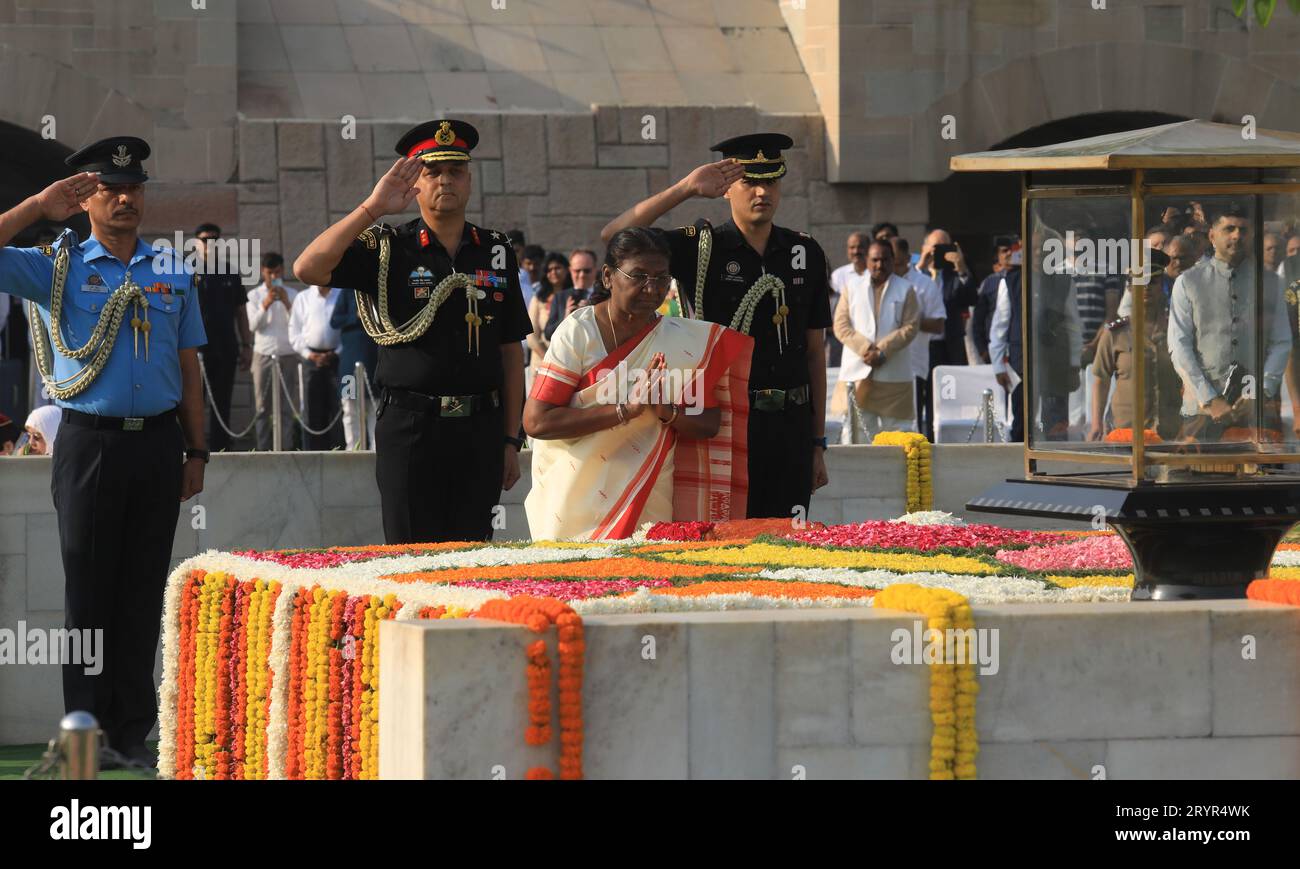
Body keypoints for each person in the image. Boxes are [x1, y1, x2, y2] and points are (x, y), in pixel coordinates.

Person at [0, 136, 208, 770]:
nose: (124, 199)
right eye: (110, 189)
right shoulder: (55, 265)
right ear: (86, 199)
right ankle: (84, 738)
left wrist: (197, 451)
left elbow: (188, 365)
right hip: (88, 442)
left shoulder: (170, 269)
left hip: (157, 446)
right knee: (88, 596)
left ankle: (130, 736)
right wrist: (37, 204)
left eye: (134, 188)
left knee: (142, 593)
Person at [293, 119, 530, 543]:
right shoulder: (388, 247)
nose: (445, 181)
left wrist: (511, 439)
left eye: (455, 171)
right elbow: (308, 267)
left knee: (472, 557)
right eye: (432, 171)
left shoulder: (495, 249)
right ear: (416, 182)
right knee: (410, 554)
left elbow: (511, 351)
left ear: (470, 179)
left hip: (480, 428)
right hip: (411, 426)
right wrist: (372, 208)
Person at [601, 132, 832, 520]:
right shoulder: (701, 245)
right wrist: (686, 188)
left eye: (771, 181)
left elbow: (813, 353)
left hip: (790, 424)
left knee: (790, 543)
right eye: (750, 182)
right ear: (727, 189)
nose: (762, 192)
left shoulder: (804, 252)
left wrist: (817, 443)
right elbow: (615, 236)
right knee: (724, 539)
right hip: (723, 420)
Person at [523, 228, 752, 540]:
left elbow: (710, 423)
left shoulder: (681, 340)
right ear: (607, 276)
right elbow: (537, 421)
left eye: (661, 278)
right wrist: (623, 411)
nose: (651, 288)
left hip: (649, 495)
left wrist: (664, 410)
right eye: (638, 275)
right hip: (575, 497)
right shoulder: (579, 332)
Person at [1168, 204, 1290, 442]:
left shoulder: (1271, 282)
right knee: (1199, 477)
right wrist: (1209, 399)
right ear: (1212, 236)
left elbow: (1281, 341)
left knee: (1263, 478)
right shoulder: (1188, 282)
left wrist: (1259, 392)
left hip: (1256, 412)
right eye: (1229, 229)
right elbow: (1178, 346)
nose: (1237, 235)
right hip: (1201, 412)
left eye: (1243, 230)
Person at [834, 240, 919, 442]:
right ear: (867, 260)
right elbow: (840, 325)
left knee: (900, 439)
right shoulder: (851, 287)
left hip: (894, 377)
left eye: (885, 260)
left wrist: (882, 351)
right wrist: (866, 349)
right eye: (875, 260)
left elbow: (911, 326)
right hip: (858, 373)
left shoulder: (906, 288)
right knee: (857, 438)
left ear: (893, 261)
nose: (879, 265)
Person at [193, 223, 252, 452]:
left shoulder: (230, 272)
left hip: (226, 347)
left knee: (222, 400)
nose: (210, 243)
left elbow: (241, 312)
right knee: (193, 401)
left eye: (215, 239)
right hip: (195, 349)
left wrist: (247, 345)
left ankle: (221, 448)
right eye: (205, 239)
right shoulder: (186, 270)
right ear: (197, 242)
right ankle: (194, 447)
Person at [917, 228, 977, 440]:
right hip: (922, 347)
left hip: (948, 346)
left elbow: (970, 297)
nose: (939, 253)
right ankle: (922, 441)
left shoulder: (954, 275)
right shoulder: (917, 274)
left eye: (945, 247)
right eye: (935, 247)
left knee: (946, 398)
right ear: (924, 248)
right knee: (919, 397)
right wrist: (921, 266)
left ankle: (944, 440)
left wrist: (961, 268)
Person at [245, 252, 300, 450]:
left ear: (282, 271)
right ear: (263, 272)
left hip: (287, 354)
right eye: (270, 273)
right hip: (263, 355)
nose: (274, 276)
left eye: (277, 272)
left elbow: (298, 324)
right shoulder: (254, 296)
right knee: (262, 408)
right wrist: (265, 305)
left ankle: (285, 450)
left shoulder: (293, 295)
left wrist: (286, 303)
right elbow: (252, 326)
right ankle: (263, 451)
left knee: (286, 409)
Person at [288, 284, 344, 450]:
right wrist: (309, 355)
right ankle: (312, 454)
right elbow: (294, 333)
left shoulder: (342, 294)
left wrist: (336, 353)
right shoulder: (303, 297)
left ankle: (341, 452)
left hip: (339, 360)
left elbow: (349, 329)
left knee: (342, 407)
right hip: (311, 361)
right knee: (312, 409)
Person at [330, 282, 379, 450]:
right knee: (350, 409)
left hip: (375, 363)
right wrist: (355, 315)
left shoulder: (379, 289)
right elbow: (335, 321)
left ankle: (376, 451)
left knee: (376, 408)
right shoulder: (347, 291)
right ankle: (353, 450)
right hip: (349, 364)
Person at [828, 232, 872, 367]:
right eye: (852, 247)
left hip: (869, 337)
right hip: (842, 338)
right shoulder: (838, 275)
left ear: (869, 249)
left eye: (860, 247)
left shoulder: (876, 274)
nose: (856, 251)